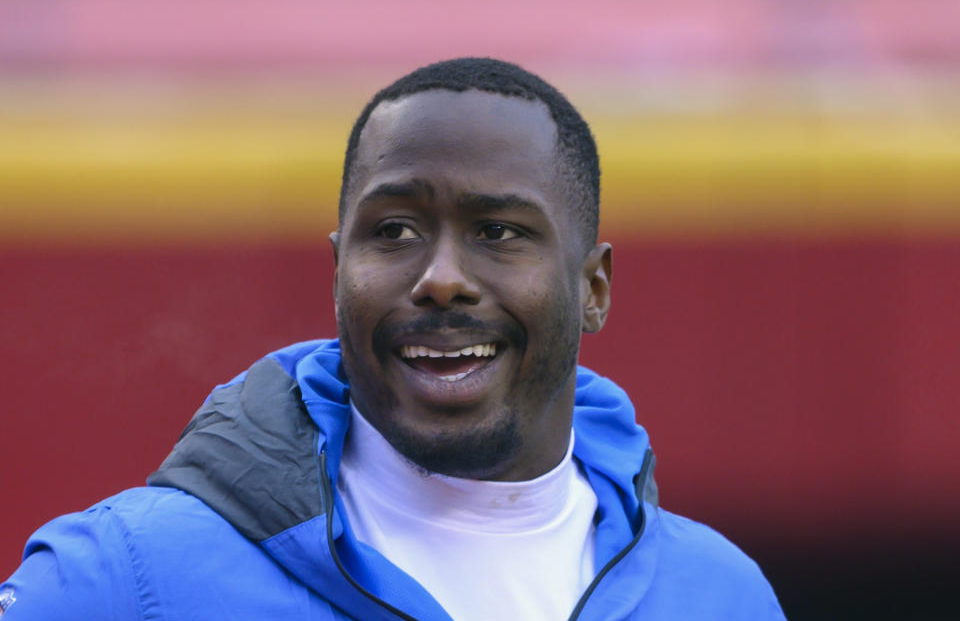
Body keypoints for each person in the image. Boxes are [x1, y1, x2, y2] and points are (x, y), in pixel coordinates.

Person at [1, 58, 785, 620]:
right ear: (340, 269)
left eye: (499, 231)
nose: (442, 277)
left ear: (593, 288)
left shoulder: (721, 595)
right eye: (396, 230)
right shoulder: (123, 578)